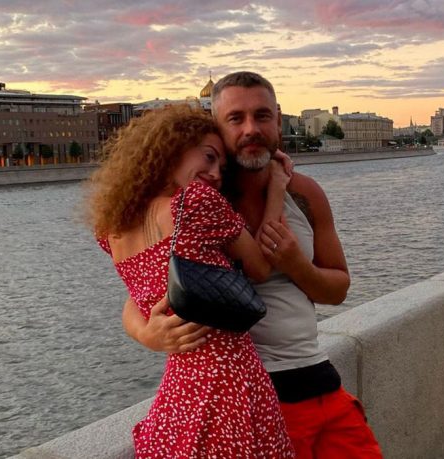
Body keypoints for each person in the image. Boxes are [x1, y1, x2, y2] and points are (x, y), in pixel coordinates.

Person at [123, 72, 383, 458]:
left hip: (320, 382)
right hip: (251, 398)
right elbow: (140, 290)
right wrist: (148, 334)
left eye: (262, 116)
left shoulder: (305, 193)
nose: (251, 129)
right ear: (217, 127)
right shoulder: (200, 196)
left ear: (278, 119)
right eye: (236, 118)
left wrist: (298, 266)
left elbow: (339, 288)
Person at [87, 104, 294, 459]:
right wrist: (276, 187)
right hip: (229, 381)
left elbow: (137, 297)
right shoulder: (195, 201)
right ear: (172, 150)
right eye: (209, 157)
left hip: (180, 392)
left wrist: (146, 333)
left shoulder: (111, 232)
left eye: (221, 168)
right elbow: (260, 267)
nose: (214, 174)